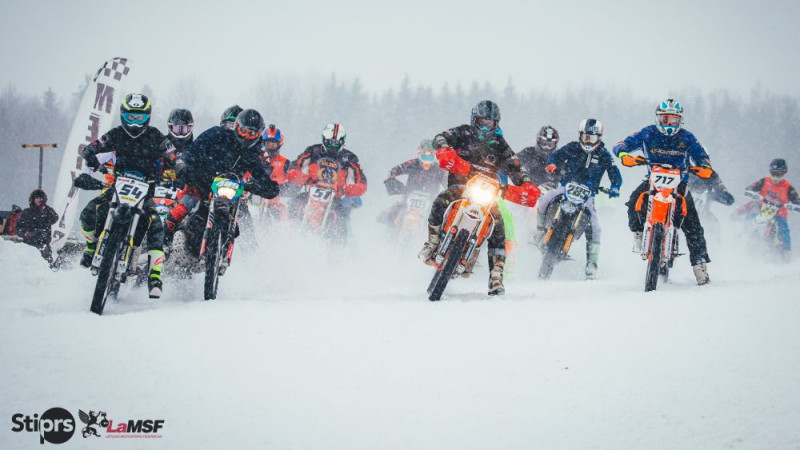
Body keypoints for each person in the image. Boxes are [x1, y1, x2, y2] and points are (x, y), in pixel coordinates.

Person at [419, 100, 540, 295]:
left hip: (488, 193)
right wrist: (444, 148)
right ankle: (432, 242)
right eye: (482, 121)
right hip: (461, 186)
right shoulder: (463, 132)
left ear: (496, 124)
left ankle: (496, 277)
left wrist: (526, 183)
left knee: (499, 226)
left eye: (490, 123)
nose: (486, 126)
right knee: (441, 200)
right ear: (474, 119)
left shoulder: (501, 144)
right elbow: (440, 137)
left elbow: (516, 166)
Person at [78, 93, 172, 298]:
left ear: (147, 117)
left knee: (157, 226)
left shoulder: (156, 136)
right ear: (123, 116)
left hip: (145, 189)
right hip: (117, 186)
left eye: (139, 118)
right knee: (88, 212)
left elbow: (172, 153)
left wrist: (180, 166)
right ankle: (91, 246)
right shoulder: (116, 134)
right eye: (131, 117)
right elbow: (94, 146)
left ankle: (155, 276)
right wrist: (90, 155)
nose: (135, 123)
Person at [613, 98, 714, 285]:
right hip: (653, 180)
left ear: (680, 120)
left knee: (693, 224)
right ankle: (638, 232)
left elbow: (702, 155)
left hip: (679, 183)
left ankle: (699, 266)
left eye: (673, 120)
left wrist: (704, 167)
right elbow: (621, 145)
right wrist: (624, 155)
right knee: (634, 201)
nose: (668, 123)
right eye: (664, 118)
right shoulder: (647, 133)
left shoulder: (687, 137)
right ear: (657, 118)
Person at [533, 119, 622, 279]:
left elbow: (614, 171)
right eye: (586, 136)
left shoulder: (604, 154)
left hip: (588, 194)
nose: (588, 141)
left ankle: (591, 264)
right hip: (566, 186)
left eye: (592, 138)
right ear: (580, 134)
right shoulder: (572, 147)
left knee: (595, 227)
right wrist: (552, 165)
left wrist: (615, 186)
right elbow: (555, 156)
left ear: (599, 138)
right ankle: (539, 231)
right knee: (545, 199)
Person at [169, 109, 280, 237]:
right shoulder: (216, 135)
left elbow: (261, 175)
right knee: (182, 208)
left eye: (252, 133)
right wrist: (184, 166)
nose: (246, 136)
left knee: (239, 224)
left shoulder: (252, 154)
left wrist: (265, 187)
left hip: (229, 194)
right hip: (202, 184)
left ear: (259, 134)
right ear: (236, 127)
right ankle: (161, 244)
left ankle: (246, 249)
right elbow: (191, 152)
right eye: (243, 131)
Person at [286, 123, 368, 243]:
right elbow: (294, 167)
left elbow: (362, 183)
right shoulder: (313, 151)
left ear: (342, 142)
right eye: (330, 142)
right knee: (293, 204)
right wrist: (304, 178)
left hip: (335, 196)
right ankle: (288, 235)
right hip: (312, 190)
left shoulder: (349, 158)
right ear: (324, 139)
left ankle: (336, 252)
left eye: (336, 143)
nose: (333, 146)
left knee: (342, 223)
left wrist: (344, 189)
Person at [742, 158, 800, 261]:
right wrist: (755, 195)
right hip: (762, 209)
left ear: (784, 172)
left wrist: (792, 206)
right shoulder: (764, 181)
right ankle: (743, 236)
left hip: (779, 213)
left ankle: (787, 252)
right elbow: (749, 189)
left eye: (779, 173)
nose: (776, 176)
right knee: (750, 217)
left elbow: (797, 201)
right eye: (773, 172)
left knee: (784, 229)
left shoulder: (788, 187)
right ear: (770, 171)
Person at [379, 139, 447, 225]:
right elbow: (396, 169)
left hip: (430, 202)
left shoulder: (439, 169)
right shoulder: (412, 163)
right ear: (419, 154)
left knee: (440, 221)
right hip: (408, 197)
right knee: (390, 215)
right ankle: (390, 233)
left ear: (435, 156)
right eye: (424, 156)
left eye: (430, 157)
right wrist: (391, 179)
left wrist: (452, 191)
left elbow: (447, 182)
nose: (427, 161)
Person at [257, 124, 291, 220]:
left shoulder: (285, 162)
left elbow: (291, 179)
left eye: (273, 144)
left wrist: (286, 186)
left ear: (279, 144)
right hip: (256, 198)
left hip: (275, 201)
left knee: (283, 210)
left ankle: (280, 231)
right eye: (268, 144)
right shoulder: (258, 158)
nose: (271, 147)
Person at [16, 189, 59, 261]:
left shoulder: (47, 211)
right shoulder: (27, 212)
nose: (39, 200)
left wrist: (45, 209)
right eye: (37, 198)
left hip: (43, 244)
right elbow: (18, 228)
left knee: (46, 266)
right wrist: (24, 233)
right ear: (33, 199)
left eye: (41, 198)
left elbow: (55, 218)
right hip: (28, 245)